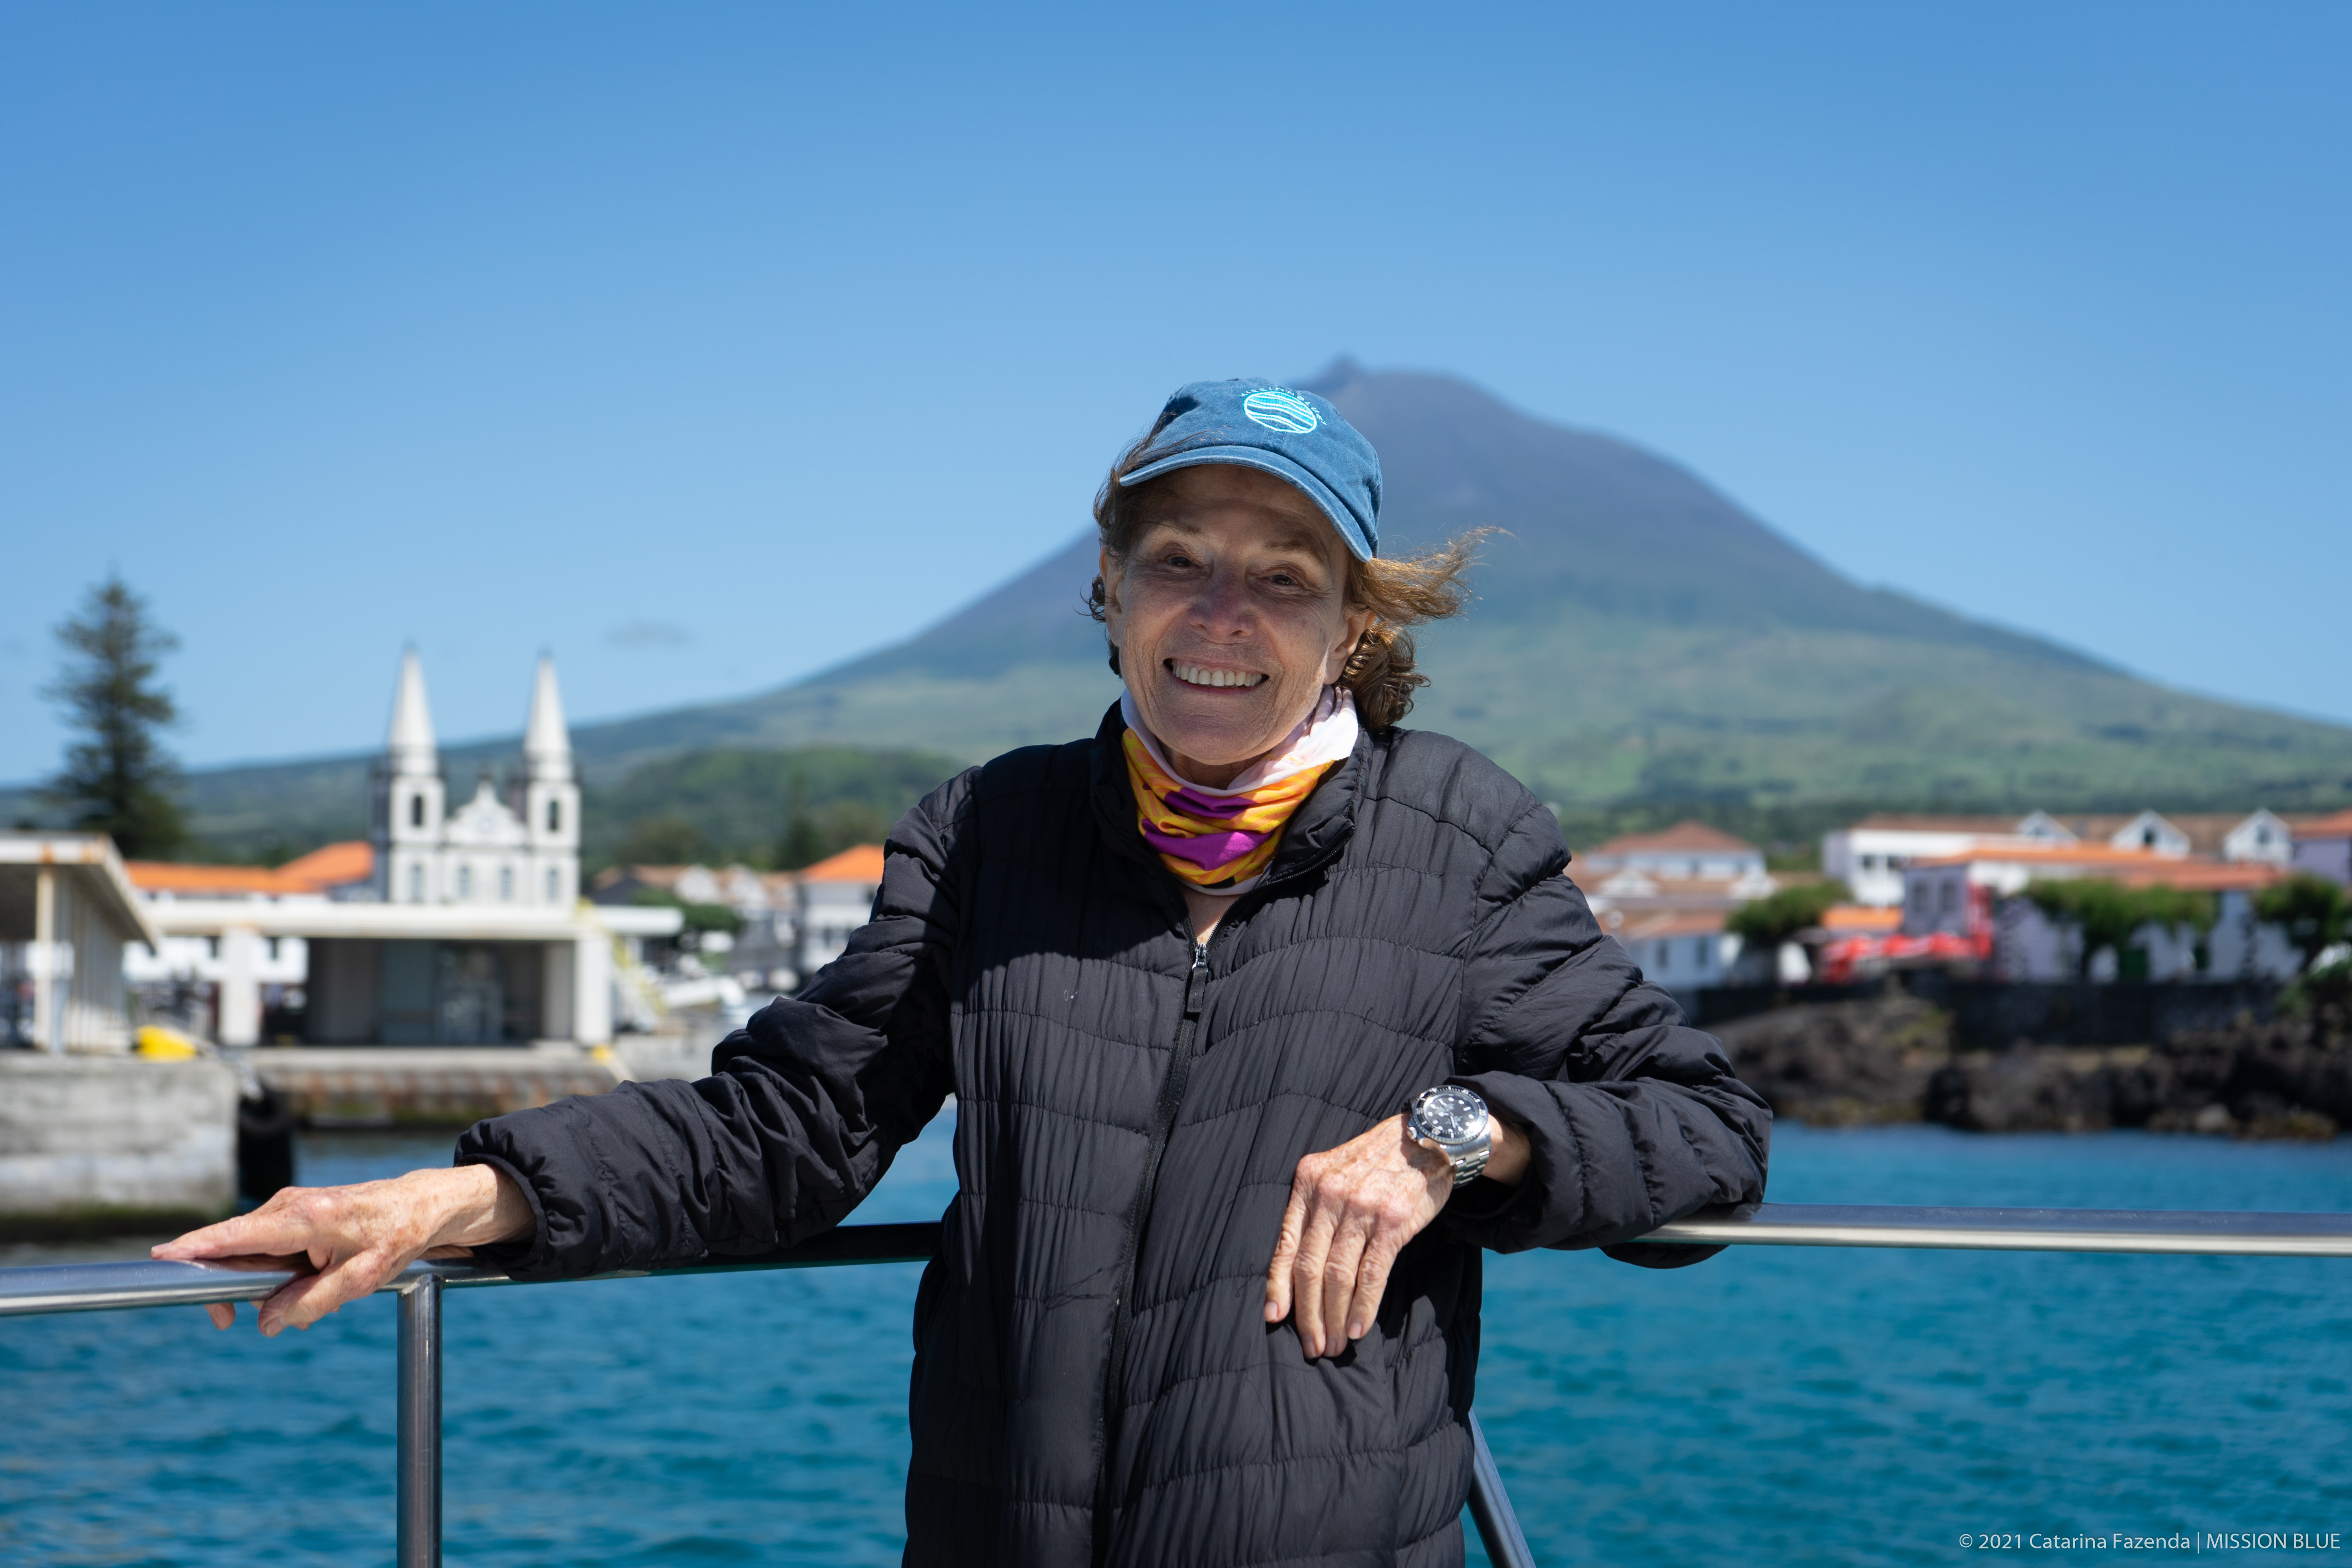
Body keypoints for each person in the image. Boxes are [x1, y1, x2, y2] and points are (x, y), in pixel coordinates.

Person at [159, 379, 1771, 1567]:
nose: (1222, 614)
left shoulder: (1456, 834)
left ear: (1350, 626)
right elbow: (786, 1126)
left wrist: (1449, 1135)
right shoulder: (990, 829)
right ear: (1109, 592)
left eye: (1283, 575)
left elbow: (1703, 1129)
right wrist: (441, 1205)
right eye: (1178, 561)